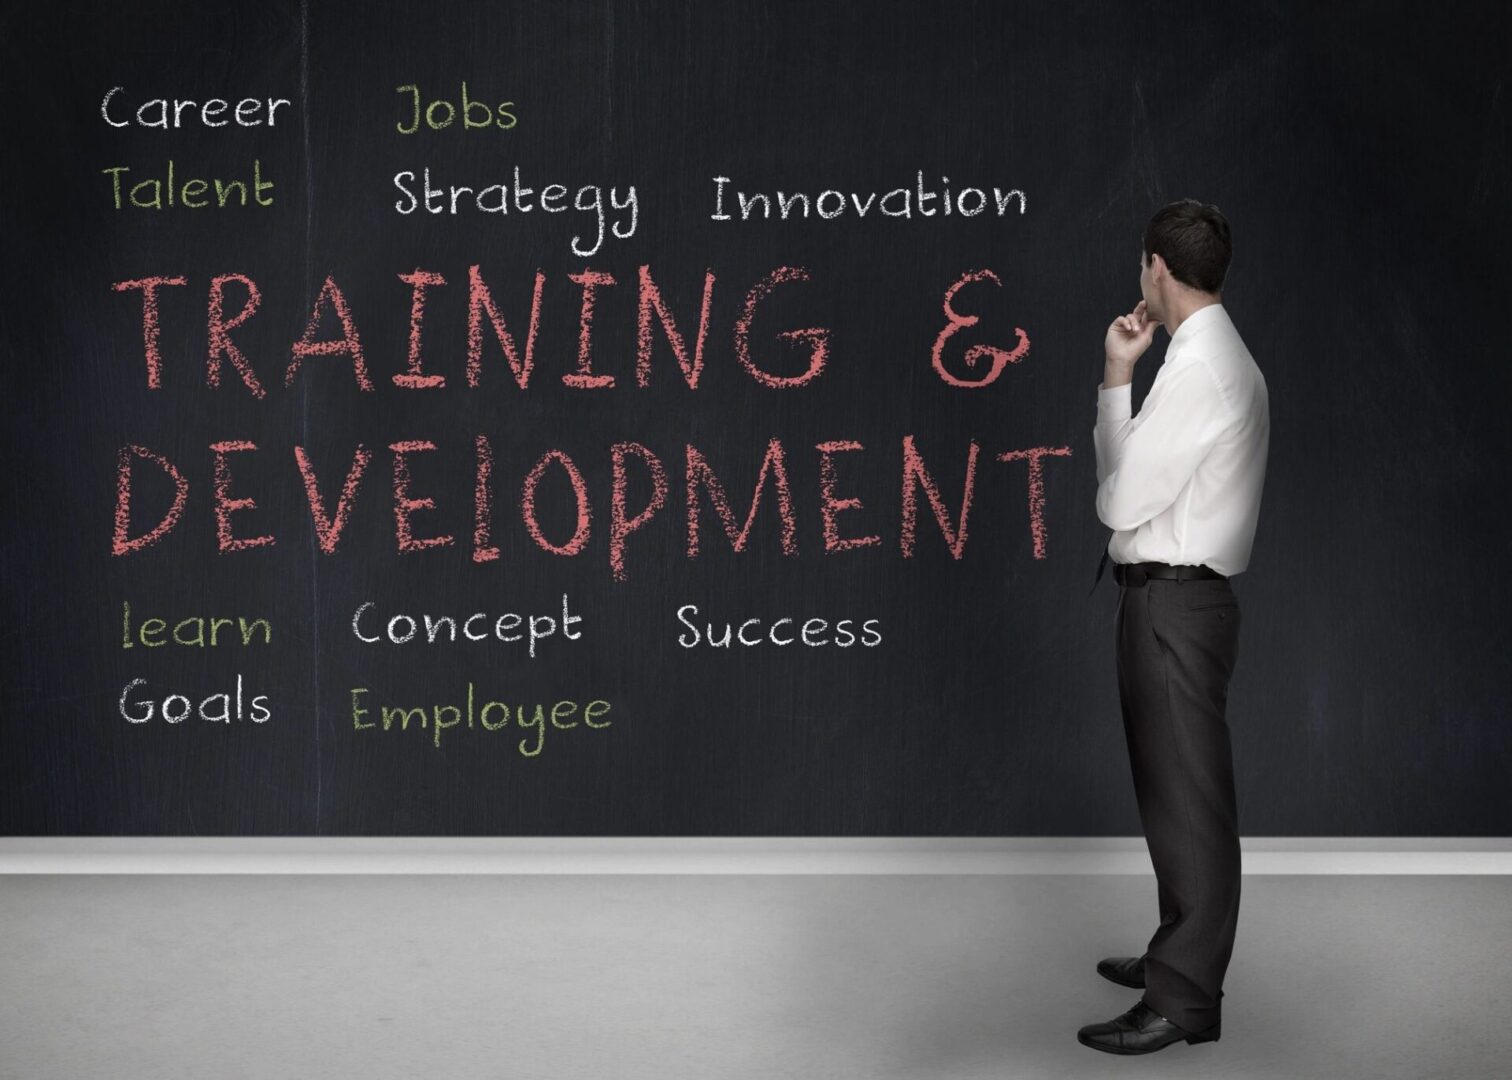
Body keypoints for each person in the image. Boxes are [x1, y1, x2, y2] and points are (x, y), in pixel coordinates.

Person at [1076, 199, 1270, 1055]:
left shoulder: (1201, 371)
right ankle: (1173, 959)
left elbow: (1119, 500)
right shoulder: (1204, 356)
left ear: (1155, 265)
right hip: (1175, 600)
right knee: (1175, 795)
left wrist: (1114, 380)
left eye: (1141, 264)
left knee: (1189, 803)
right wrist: (1123, 372)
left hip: (1174, 605)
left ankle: (1183, 998)